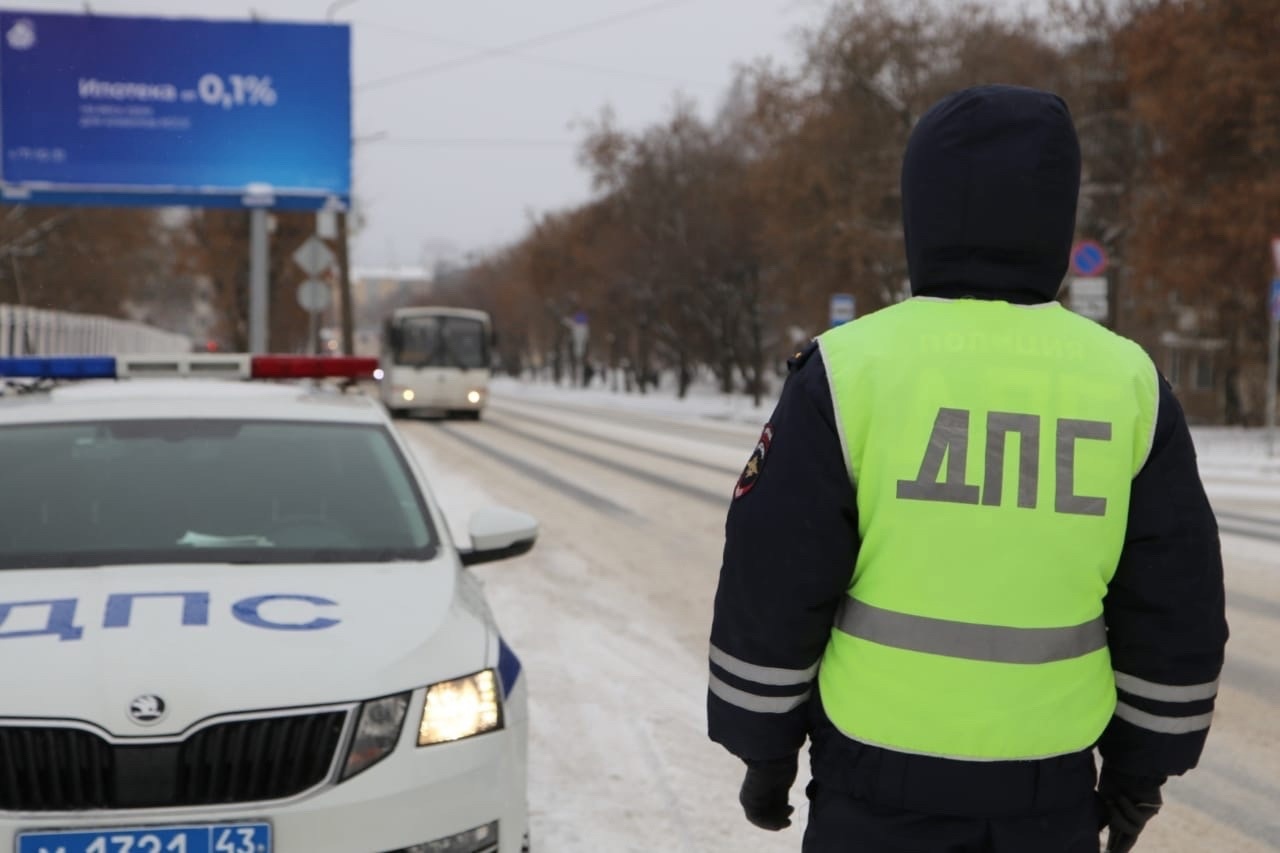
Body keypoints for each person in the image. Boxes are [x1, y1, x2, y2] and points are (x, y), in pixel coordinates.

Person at [706, 85, 1228, 853]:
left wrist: (765, 747)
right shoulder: (1129, 383)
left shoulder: (850, 371)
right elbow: (1175, 600)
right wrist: (1140, 771)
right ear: (1058, 210)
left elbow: (774, 576)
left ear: (924, 207)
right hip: (1048, 795)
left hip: (872, 789)